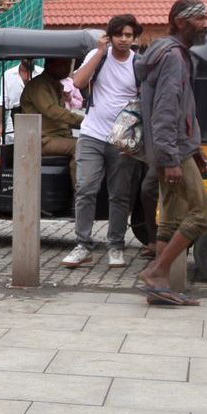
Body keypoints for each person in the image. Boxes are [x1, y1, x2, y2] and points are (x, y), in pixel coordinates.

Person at [135, 0, 207, 305]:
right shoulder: (173, 58)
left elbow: (182, 109)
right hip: (172, 151)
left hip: (175, 148)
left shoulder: (168, 52)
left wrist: (196, 147)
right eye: (201, 18)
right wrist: (172, 158)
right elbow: (166, 110)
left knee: (170, 217)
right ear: (182, 22)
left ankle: (160, 286)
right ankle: (158, 270)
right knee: (203, 214)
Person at [65, 14, 143, 268]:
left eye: (128, 35)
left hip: (122, 139)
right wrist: (99, 52)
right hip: (92, 134)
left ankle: (116, 245)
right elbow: (77, 82)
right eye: (119, 34)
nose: (123, 39)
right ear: (110, 36)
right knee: (85, 187)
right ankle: (82, 244)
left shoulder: (137, 64)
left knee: (119, 194)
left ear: (134, 38)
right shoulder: (98, 57)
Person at [18, 56, 83, 186]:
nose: (68, 68)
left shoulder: (55, 84)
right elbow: (53, 111)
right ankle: (79, 197)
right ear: (50, 65)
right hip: (42, 140)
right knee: (81, 147)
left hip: (56, 136)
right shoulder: (39, 86)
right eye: (64, 64)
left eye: (69, 64)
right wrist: (83, 121)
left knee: (88, 142)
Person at [0, 59, 39, 144]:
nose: (30, 59)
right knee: (12, 151)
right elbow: (3, 100)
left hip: (37, 117)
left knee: (34, 149)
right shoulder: (8, 74)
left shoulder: (41, 73)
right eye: (27, 57)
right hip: (14, 118)